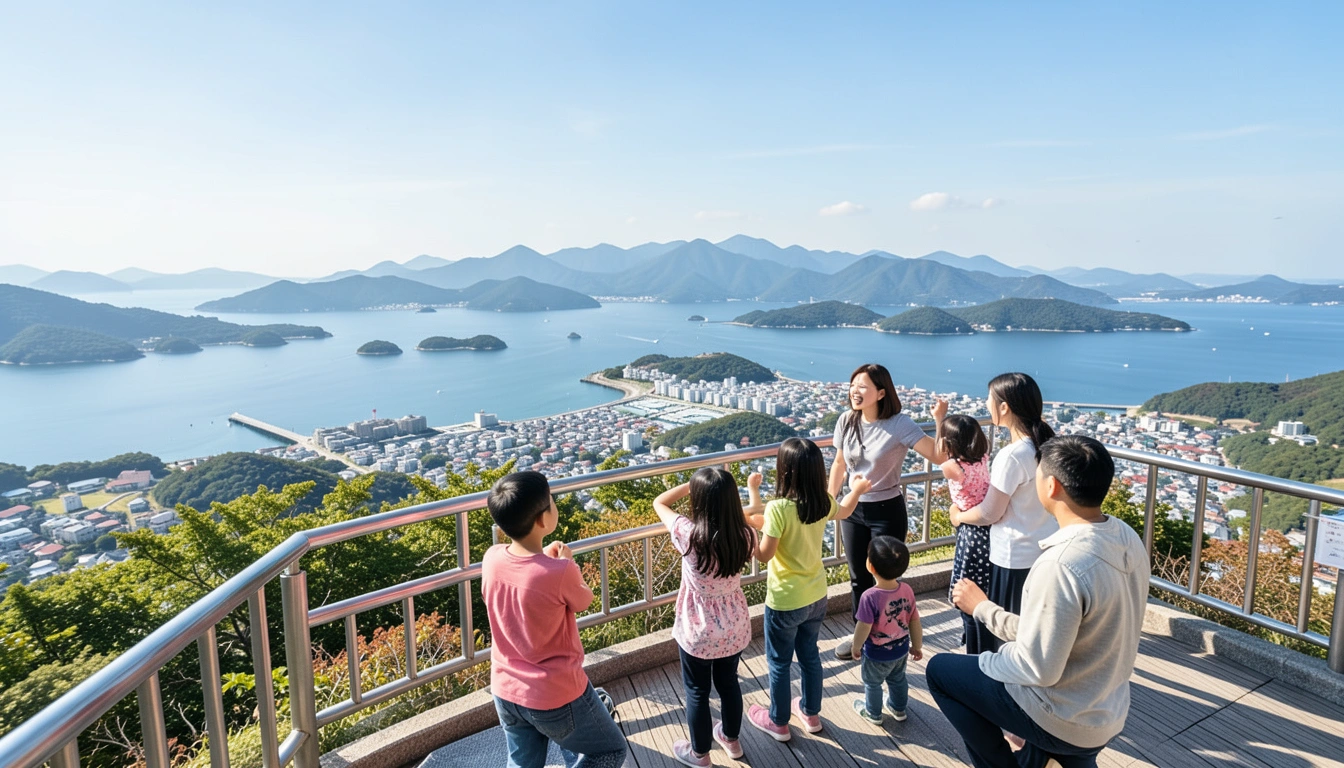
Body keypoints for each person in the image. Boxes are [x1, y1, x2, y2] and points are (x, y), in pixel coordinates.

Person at [929, 435, 1149, 768]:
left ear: (1052, 487)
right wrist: (985, 610)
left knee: (941, 672)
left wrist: (988, 658)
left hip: (1061, 714)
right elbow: (1052, 633)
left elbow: (1036, 668)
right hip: (1106, 708)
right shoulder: (1125, 536)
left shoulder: (1061, 563)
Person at [482, 471, 628, 768]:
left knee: (523, 763)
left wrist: (548, 562)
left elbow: (524, 575)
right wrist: (566, 563)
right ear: (542, 520)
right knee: (610, 751)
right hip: (555, 693)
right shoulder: (559, 572)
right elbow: (583, 600)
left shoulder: (492, 557)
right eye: (551, 502)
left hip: (506, 688)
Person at [747, 438, 870, 741]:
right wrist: (857, 489)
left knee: (778, 662)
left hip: (785, 599)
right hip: (816, 596)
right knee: (810, 657)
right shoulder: (822, 503)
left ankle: (778, 721)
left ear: (784, 470)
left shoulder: (778, 508)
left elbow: (764, 555)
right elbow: (844, 510)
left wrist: (749, 532)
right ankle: (811, 713)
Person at [830, 363, 947, 660]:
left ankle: (891, 635)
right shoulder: (847, 420)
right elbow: (840, 465)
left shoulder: (899, 424)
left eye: (863, 387)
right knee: (858, 576)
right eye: (853, 385)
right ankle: (862, 634)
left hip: (886, 509)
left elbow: (936, 454)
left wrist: (940, 421)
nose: (855, 391)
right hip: (853, 508)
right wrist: (830, 500)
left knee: (886, 579)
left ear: (881, 393)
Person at [652, 468, 759, 767]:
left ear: (700, 500)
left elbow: (659, 503)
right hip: (733, 624)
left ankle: (699, 754)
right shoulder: (746, 535)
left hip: (697, 628)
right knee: (729, 684)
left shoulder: (689, 534)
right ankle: (731, 738)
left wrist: (692, 486)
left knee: (697, 691)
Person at [949, 372, 1056, 651]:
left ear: (1004, 407)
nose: (986, 404)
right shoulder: (1046, 445)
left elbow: (989, 513)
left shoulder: (1013, 456)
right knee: (1032, 627)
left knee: (1005, 632)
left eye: (989, 399)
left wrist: (959, 516)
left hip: (1013, 555)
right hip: (1044, 549)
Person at [848, 535, 923, 725]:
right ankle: (898, 709)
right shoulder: (906, 590)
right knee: (898, 679)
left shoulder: (870, 596)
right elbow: (914, 620)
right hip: (901, 649)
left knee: (873, 683)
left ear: (870, 566)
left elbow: (863, 626)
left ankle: (873, 713)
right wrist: (917, 645)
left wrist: (856, 646)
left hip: (877, 653)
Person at [938, 413, 994, 654]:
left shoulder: (953, 468)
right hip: (987, 530)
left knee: (966, 589)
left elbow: (938, 452)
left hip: (969, 532)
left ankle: (973, 649)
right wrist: (941, 418)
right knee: (982, 587)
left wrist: (939, 419)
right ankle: (978, 641)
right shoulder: (982, 457)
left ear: (951, 444)